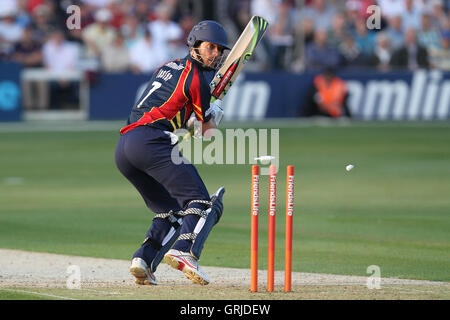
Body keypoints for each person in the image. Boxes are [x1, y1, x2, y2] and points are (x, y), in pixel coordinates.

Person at [114, 20, 228, 286]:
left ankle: (143, 260)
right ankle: (185, 252)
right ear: (194, 45)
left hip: (125, 146)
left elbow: (174, 111)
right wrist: (215, 113)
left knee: (170, 210)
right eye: (210, 47)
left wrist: (195, 119)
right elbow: (206, 134)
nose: (216, 54)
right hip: (151, 142)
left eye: (219, 50)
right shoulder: (197, 78)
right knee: (200, 202)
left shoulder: (167, 66)